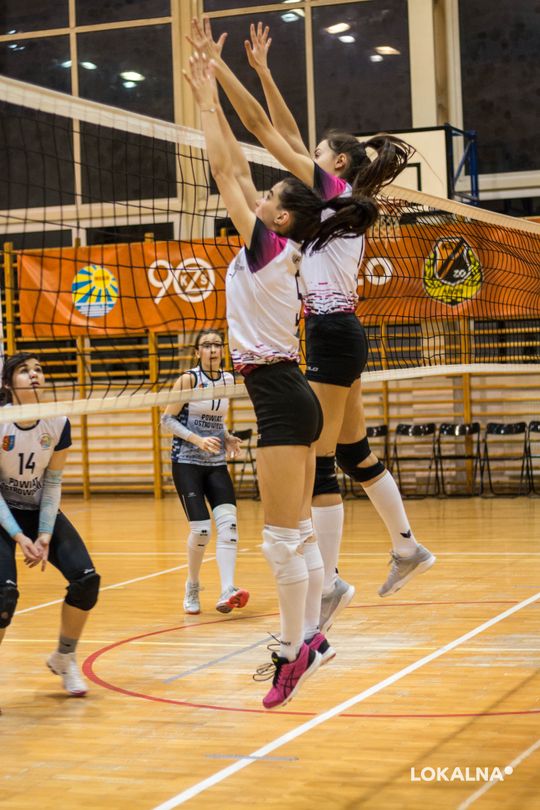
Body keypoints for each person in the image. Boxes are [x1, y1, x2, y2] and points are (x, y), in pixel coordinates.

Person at [189, 18, 436, 635]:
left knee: (321, 463)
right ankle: (405, 546)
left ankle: (326, 585)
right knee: (352, 451)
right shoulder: (327, 206)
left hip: (326, 336)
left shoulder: (334, 196)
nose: (308, 156)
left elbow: (264, 132)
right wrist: (261, 71)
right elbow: (283, 131)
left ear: (337, 164)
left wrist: (216, 74)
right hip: (335, 333)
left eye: (319, 154)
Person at [183, 51, 378, 709]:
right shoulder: (279, 246)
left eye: (269, 198)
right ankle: (309, 641)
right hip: (286, 392)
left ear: (282, 219)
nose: (260, 197)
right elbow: (238, 172)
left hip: (280, 397)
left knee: (279, 538)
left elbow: (225, 170)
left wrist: (206, 99)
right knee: (292, 534)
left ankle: (296, 651)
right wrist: (214, 90)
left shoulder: (268, 248)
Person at [0, 353, 100, 707]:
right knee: (3, 597)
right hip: (3, 514)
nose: (34, 375)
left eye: (39, 369)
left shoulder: (57, 422)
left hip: (38, 509)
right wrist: (19, 536)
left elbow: (53, 481)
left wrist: (44, 533)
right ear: (8, 383)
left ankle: (64, 657)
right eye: (24, 370)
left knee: (87, 581)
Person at [161, 328, 249, 615]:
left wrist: (228, 437)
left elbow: (215, 421)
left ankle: (227, 590)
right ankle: (193, 584)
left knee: (229, 526)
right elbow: (167, 420)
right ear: (197, 352)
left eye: (217, 345)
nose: (212, 349)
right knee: (201, 531)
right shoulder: (189, 379)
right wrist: (197, 440)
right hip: (187, 462)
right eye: (206, 345)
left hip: (216, 464)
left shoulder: (228, 379)